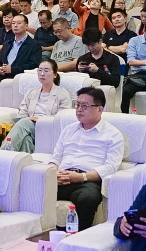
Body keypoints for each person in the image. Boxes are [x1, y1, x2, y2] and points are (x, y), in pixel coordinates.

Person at [49, 87, 126, 229]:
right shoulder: (68, 130)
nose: (79, 109)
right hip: (61, 177)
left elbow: (111, 167)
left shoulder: (113, 135)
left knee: (87, 199)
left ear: (100, 109)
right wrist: (53, 173)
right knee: (35, 188)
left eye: (85, 106)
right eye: (77, 105)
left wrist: (81, 177)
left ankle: (76, 236)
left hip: (87, 181)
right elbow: (55, 158)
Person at [0, 61, 74, 152]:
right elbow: (22, 112)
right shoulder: (31, 92)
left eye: (46, 71)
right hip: (29, 126)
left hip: (48, 128)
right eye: (40, 70)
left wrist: (40, 119)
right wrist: (29, 119)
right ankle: (26, 159)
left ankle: (4, 153)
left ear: (55, 75)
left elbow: (62, 118)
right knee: (26, 139)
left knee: (24, 123)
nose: (42, 74)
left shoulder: (63, 94)